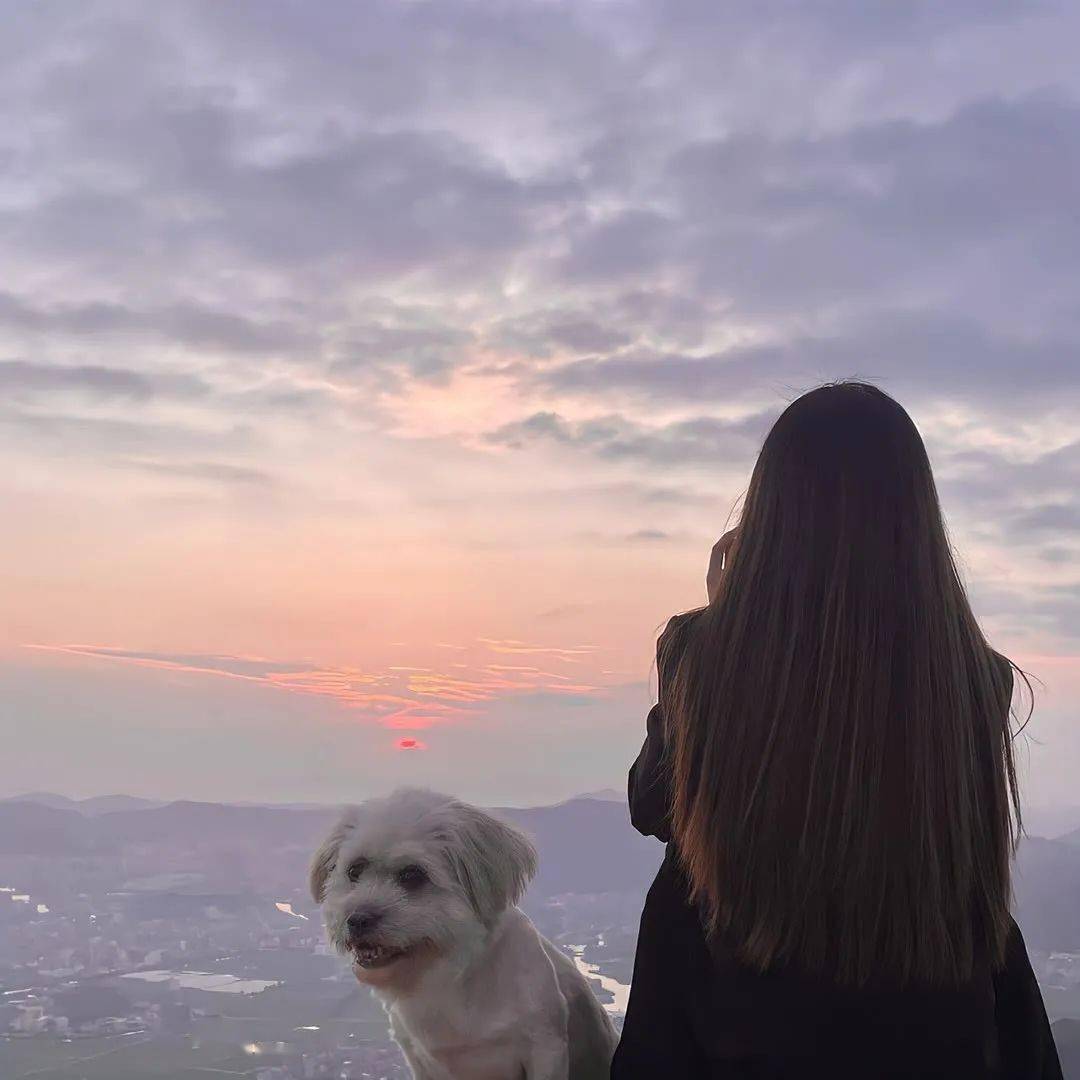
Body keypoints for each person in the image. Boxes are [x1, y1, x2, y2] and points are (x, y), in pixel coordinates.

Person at [612, 382, 1062, 1079]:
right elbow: (968, 861)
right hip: (934, 1029)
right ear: (915, 519)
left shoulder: (699, 652)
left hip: (729, 1023)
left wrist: (724, 620)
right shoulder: (975, 675)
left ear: (771, 515)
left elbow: (657, 809)